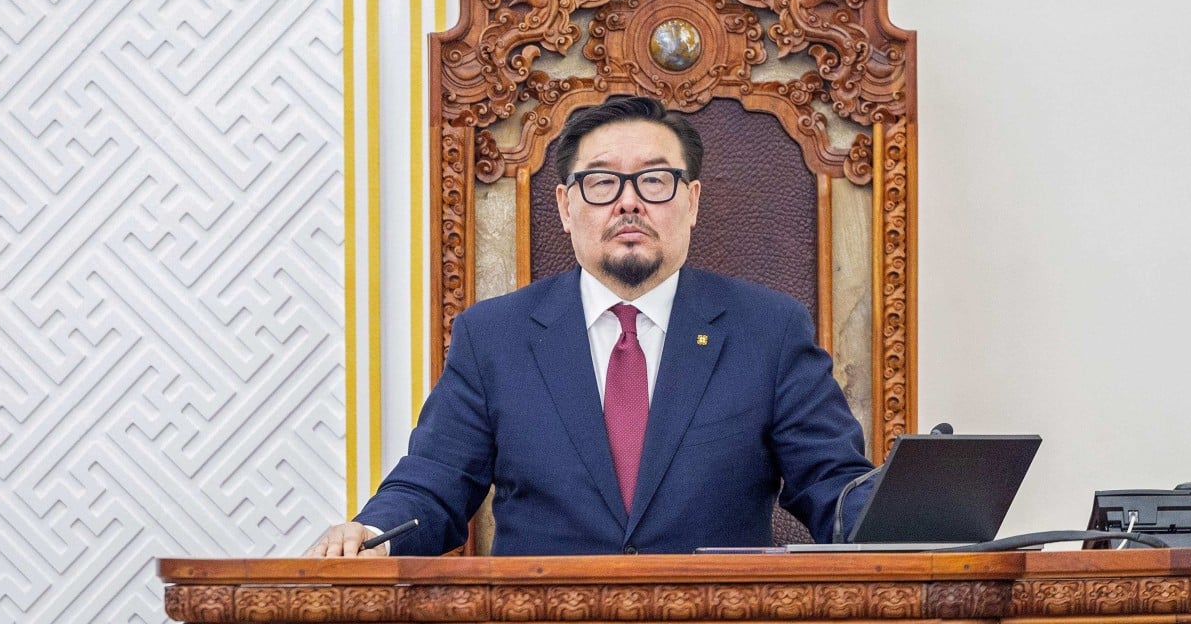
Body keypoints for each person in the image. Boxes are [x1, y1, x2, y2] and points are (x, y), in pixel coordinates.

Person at [307, 96, 874, 557]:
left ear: (692, 202)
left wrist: (901, 515)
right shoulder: (494, 337)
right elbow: (433, 483)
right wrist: (370, 536)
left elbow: (832, 485)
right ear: (564, 205)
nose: (629, 203)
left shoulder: (768, 330)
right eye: (602, 183)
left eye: (655, 181)